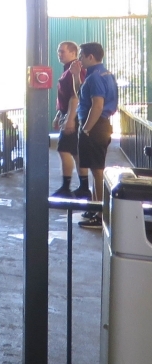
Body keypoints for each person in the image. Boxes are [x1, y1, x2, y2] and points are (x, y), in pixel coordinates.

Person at [72, 42, 118, 229]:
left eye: (81, 55)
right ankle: (95, 207)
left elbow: (97, 105)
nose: (80, 59)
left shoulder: (95, 77)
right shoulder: (104, 74)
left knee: (98, 170)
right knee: (94, 167)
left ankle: (100, 215)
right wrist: (76, 75)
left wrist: (86, 129)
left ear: (90, 57)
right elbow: (82, 94)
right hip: (99, 125)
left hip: (95, 126)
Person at [51, 41, 85, 197]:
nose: (59, 54)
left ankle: (66, 187)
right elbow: (66, 97)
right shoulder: (68, 70)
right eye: (58, 51)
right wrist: (59, 115)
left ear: (73, 53)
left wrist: (70, 119)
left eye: (62, 51)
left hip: (74, 116)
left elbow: (75, 96)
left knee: (64, 150)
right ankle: (84, 187)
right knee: (76, 152)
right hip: (69, 114)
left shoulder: (74, 69)